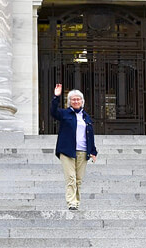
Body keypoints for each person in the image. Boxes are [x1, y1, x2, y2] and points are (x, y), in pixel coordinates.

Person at [50, 83, 97, 211]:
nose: (76, 101)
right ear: (69, 102)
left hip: (83, 151)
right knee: (71, 178)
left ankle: (76, 202)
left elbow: (90, 135)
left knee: (79, 179)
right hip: (67, 150)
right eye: (73, 99)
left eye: (78, 99)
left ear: (82, 101)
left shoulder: (86, 117)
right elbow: (53, 112)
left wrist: (93, 151)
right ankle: (72, 203)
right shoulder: (64, 114)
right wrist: (56, 97)